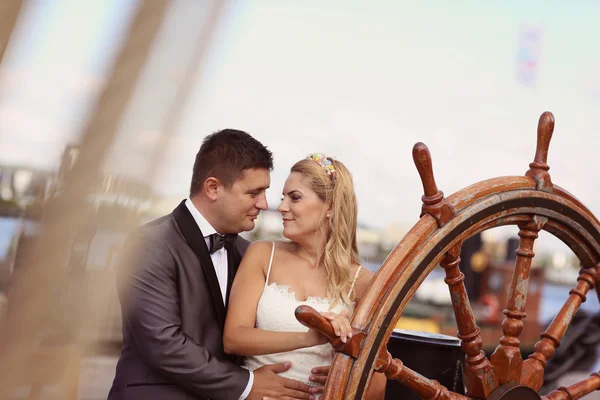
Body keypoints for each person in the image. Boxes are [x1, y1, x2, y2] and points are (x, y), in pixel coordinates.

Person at [108, 129, 316, 400]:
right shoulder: (149, 243)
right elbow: (162, 343)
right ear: (213, 188)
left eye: (264, 192)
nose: (264, 204)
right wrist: (247, 384)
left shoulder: (247, 252)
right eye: (254, 192)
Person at [223, 153, 386, 399]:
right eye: (283, 197)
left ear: (330, 206)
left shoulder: (364, 283)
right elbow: (233, 338)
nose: (282, 207)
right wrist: (309, 337)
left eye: (295, 198)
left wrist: (345, 375)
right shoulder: (262, 254)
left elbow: (379, 384)